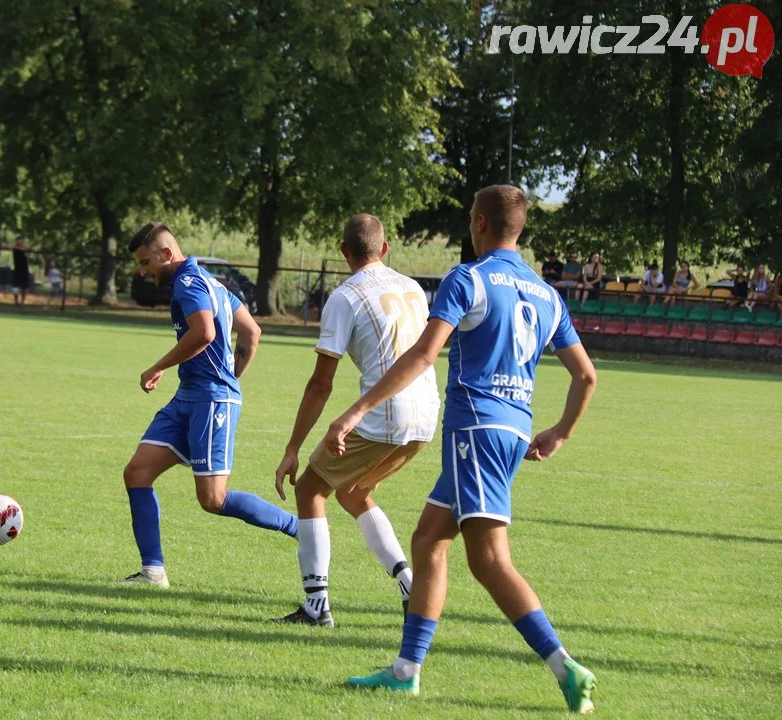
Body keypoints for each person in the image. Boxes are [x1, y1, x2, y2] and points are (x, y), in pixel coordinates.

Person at [330, 185, 599, 714]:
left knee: (489, 559)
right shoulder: (548, 294)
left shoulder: (467, 278)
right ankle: (406, 671)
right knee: (429, 538)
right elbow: (586, 375)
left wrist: (356, 410)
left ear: (478, 222)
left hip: (476, 427)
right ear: (519, 229)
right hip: (513, 429)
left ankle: (564, 664)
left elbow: (425, 353)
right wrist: (560, 431)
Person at [272, 214, 441, 627]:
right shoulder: (413, 288)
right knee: (351, 492)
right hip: (426, 416)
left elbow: (320, 384)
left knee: (311, 487)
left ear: (344, 251)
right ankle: (408, 584)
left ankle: (316, 606)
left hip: (386, 413)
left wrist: (292, 448)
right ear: (385, 249)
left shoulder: (345, 296)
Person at [122, 222, 297, 588]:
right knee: (137, 473)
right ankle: (152, 572)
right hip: (190, 396)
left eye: (144, 262)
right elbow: (251, 332)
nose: (142, 271)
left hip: (210, 400)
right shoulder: (214, 282)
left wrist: (160, 367)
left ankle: (301, 528)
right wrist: (232, 377)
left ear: (166, 254)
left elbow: (205, 333)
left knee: (213, 499)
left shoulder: (188, 283)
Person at [11, 236, 31, 306]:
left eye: (21, 241)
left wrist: (26, 249)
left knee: (24, 287)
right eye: (18, 241)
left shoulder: (25, 249)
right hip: (17, 269)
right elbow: (14, 248)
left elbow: (27, 253)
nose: (19, 242)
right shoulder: (15, 248)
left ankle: (22, 302)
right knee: (15, 286)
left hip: (24, 270)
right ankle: (16, 301)